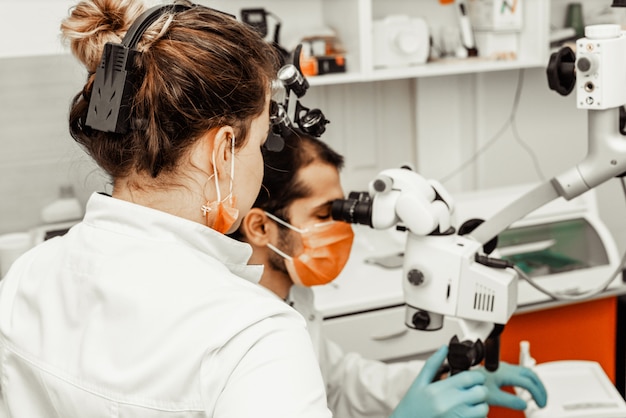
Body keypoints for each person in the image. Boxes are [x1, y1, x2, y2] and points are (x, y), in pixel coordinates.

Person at [0, 1, 334, 416]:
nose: (263, 162)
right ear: (223, 149)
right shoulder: (253, 336)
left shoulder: (25, 278)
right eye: (262, 141)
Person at [233, 130, 548, 418]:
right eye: (324, 214)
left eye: (341, 211)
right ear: (261, 227)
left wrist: (448, 380)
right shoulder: (244, 336)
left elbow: (340, 384)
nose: (341, 228)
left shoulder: (294, 297)